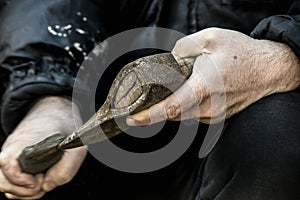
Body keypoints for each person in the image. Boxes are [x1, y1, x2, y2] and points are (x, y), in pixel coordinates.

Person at [0, 0, 300, 199]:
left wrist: (283, 57)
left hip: (257, 120)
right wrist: (50, 95)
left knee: (274, 137)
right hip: (96, 86)